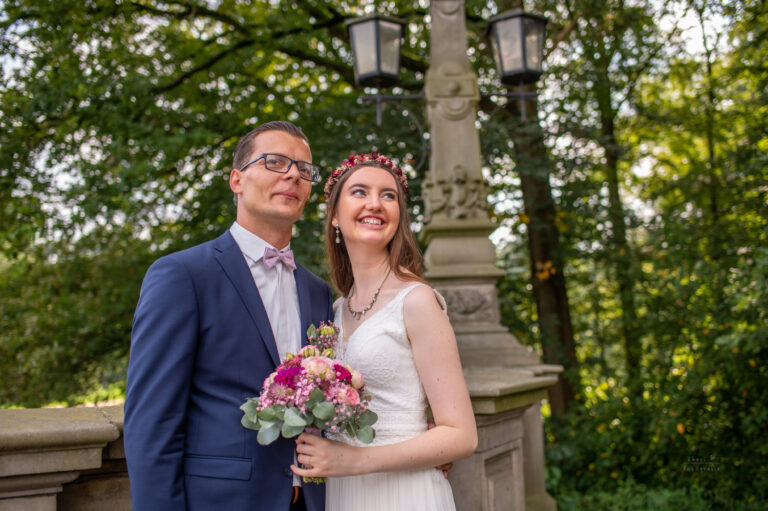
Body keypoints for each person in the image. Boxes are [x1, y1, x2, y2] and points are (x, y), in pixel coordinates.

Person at [124, 121, 334, 511]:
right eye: (275, 162)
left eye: (304, 169)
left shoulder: (317, 291)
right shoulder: (182, 275)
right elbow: (151, 423)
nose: (293, 174)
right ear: (237, 180)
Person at [291, 153, 478, 510]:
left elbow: (462, 435)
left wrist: (352, 461)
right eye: (360, 192)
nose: (375, 203)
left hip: (404, 493)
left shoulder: (417, 301)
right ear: (334, 215)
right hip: (343, 493)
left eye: (388, 195)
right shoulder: (335, 311)